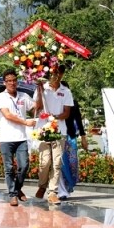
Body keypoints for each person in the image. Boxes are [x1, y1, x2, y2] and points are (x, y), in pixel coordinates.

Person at [0, 68, 42, 207]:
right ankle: (13, 195)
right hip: (6, 138)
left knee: (24, 165)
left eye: (14, 80)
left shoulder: (23, 96)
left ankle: (17, 188)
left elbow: (37, 107)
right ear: (4, 83)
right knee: (9, 168)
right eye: (9, 81)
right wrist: (25, 122)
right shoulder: (1, 97)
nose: (12, 83)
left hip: (21, 137)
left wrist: (40, 90)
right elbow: (8, 115)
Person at [33, 73, 74, 205]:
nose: (55, 77)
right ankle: (42, 185)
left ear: (61, 75)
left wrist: (54, 117)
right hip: (43, 130)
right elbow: (37, 107)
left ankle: (53, 192)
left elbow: (67, 113)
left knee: (56, 162)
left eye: (58, 74)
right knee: (45, 162)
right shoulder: (42, 87)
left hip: (59, 130)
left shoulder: (66, 91)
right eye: (53, 74)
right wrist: (40, 91)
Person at [59, 81, 88, 201]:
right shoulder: (56, 104)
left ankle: (69, 185)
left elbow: (79, 120)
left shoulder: (73, 103)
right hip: (59, 136)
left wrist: (83, 137)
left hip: (71, 136)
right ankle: (62, 190)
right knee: (61, 163)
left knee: (72, 163)